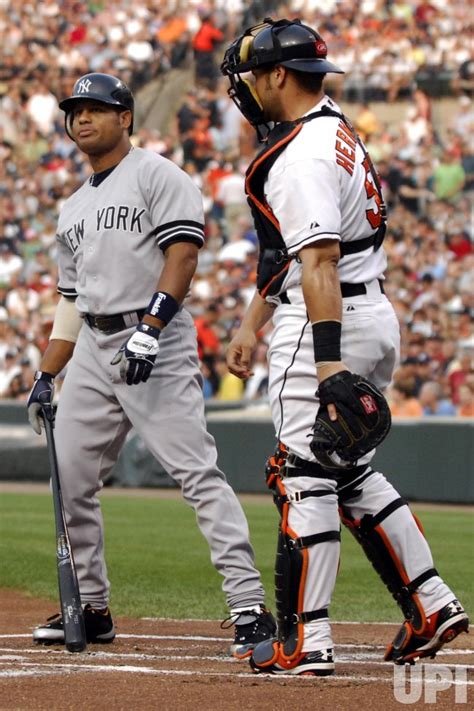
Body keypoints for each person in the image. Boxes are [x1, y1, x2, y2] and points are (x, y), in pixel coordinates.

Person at [221, 18, 469, 676]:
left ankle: (308, 636)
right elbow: (306, 253)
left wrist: (327, 363)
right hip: (370, 308)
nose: (243, 88)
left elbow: (320, 260)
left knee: (301, 475)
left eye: (251, 76)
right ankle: (433, 603)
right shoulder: (333, 129)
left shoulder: (299, 154)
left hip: (324, 317)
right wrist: (252, 321)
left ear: (278, 75)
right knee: (348, 470)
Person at [26, 72, 276, 657]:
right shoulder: (73, 207)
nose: (82, 118)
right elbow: (70, 301)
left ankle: (248, 606)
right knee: (72, 481)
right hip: (91, 344)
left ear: (126, 117)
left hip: (153, 337)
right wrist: (45, 373)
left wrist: (152, 328)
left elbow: (183, 254)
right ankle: (90, 608)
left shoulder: (159, 175)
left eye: (96, 108)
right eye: (75, 111)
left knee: (195, 472)